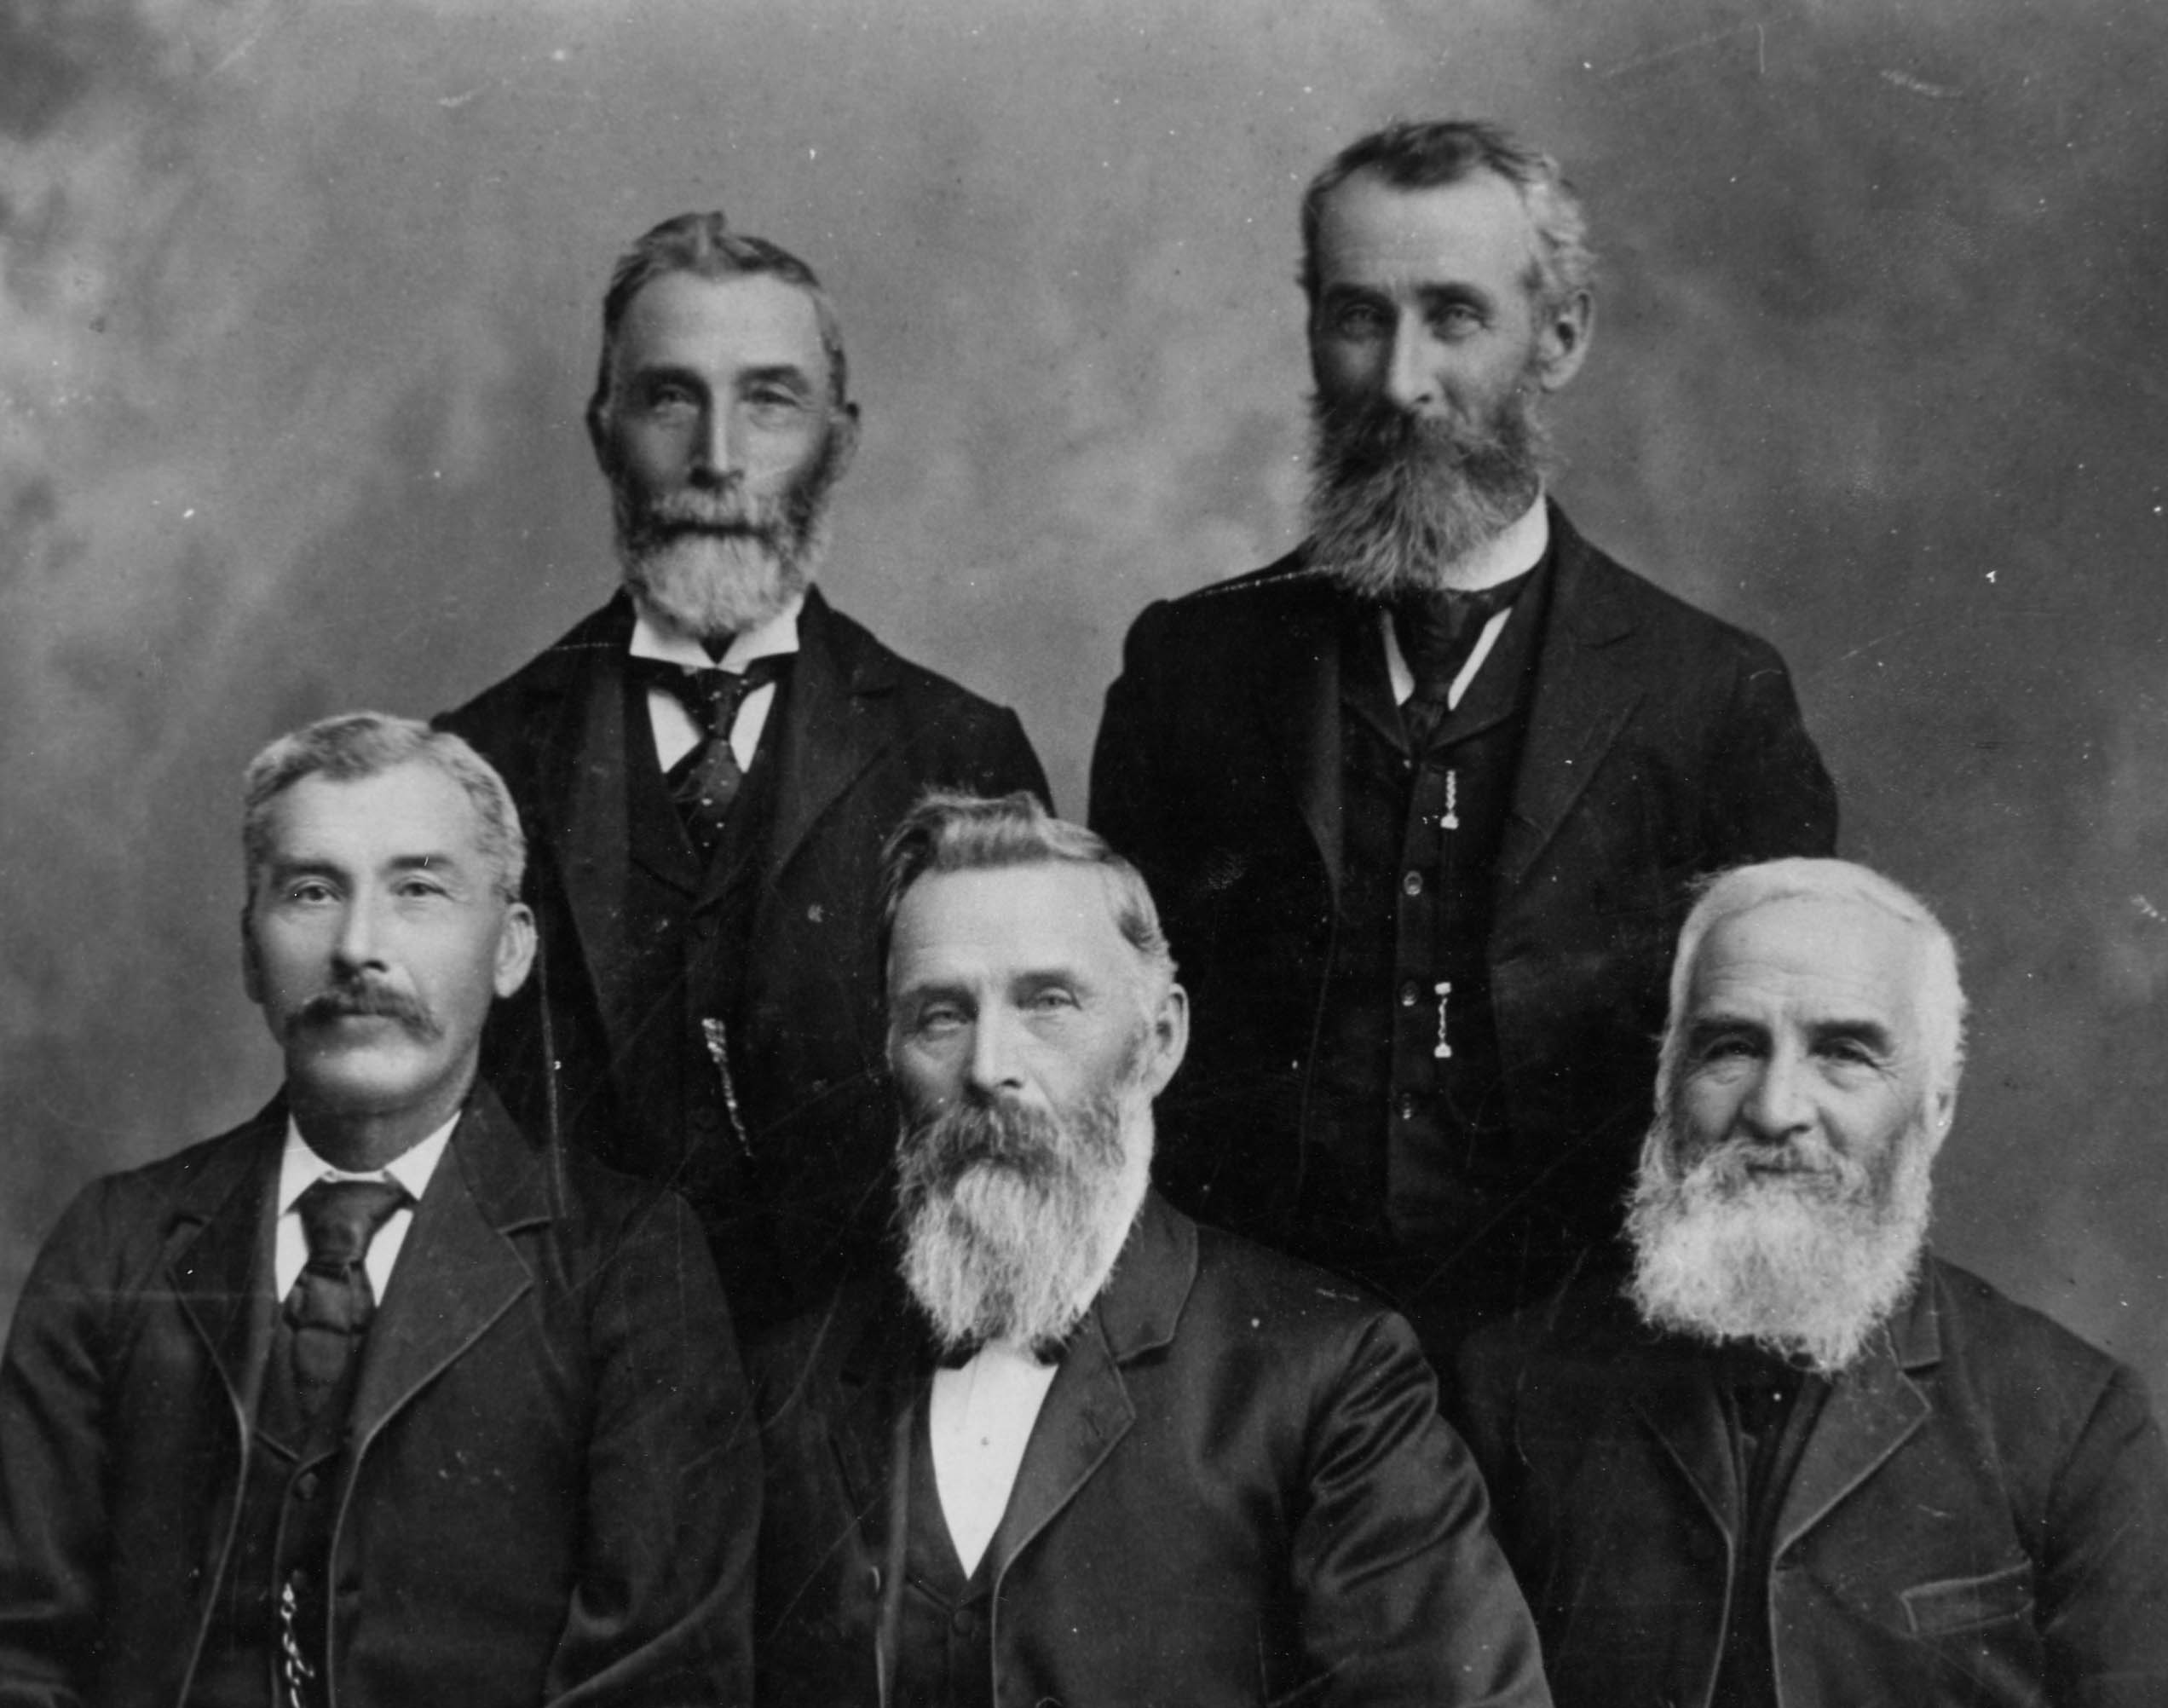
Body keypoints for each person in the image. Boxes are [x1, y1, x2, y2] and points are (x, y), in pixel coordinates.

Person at [1089, 118, 1837, 1347]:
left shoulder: (1712, 699)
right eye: (1358, 316)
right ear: (1311, 328)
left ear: (1562, 335)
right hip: (1250, 1368)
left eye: (1453, 316)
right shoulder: (1190, 670)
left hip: (1588, 1372)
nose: (1401, 381)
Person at [0, 713, 754, 1708]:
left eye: (418, 891)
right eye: (311, 892)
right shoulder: (115, 1245)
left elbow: (660, 1678)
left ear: (510, 949)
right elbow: (19, 1652)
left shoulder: (629, 1265)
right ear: (249, 950)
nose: (359, 948)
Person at [754, 791, 1549, 1707]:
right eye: (940, 1015)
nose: (988, 1066)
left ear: (1159, 1040)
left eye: (1047, 1002)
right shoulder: (787, 1385)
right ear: (889, 1051)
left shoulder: (1330, 1380)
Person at [441, 213, 1048, 1336]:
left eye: (769, 401)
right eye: (671, 398)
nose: (717, 456)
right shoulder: (475, 760)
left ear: (840, 442)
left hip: (871, 1387)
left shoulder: (959, 751)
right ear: (604, 432)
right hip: (567, 1385)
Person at [1453, 857, 2168, 1707]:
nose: (1775, 1109)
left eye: (1843, 1054)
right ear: (1668, 1086)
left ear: (1936, 1107)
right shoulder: (1506, 1388)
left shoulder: (2075, 1422)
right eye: (1731, 1049)